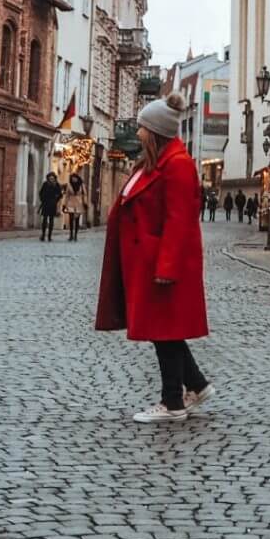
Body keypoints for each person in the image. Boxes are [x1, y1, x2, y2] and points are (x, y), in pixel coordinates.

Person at [95, 93, 213, 424]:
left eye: (143, 128)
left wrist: (167, 267)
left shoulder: (177, 165)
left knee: (166, 332)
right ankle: (198, 385)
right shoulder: (154, 163)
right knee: (166, 330)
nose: (138, 133)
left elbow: (180, 221)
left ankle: (172, 402)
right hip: (146, 261)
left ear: (155, 132)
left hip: (162, 264)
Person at [38, 173, 64, 242]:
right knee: (44, 220)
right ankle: (43, 235)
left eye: (52, 178)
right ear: (48, 178)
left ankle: (49, 236)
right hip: (45, 204)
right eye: (50, 178)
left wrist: (55, 200)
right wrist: (43, 199)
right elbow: (40, 193)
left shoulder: (56, 185)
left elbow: (60, 195)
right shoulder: (45, 184)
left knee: (51, 220)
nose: (51, 179)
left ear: (54, 178)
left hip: (52, 205)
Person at [64, 172, 87, 242]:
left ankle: (75, 235)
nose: (74, 179)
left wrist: (85, 203)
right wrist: (64, 204)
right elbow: (67, 195)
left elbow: (85, 194)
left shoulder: (81, 185)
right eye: (72, 178)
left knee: (77, 220)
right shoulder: (69, 185)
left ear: (77, 178)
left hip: (79, 203)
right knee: (71, 219)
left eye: (75, 178)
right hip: (71, 203)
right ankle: (71, 234)